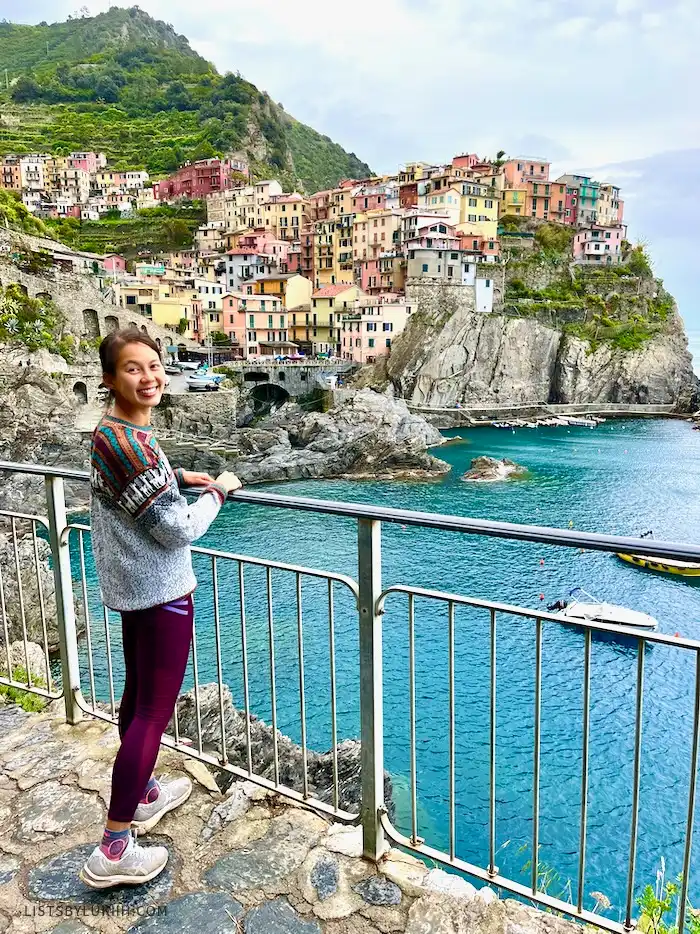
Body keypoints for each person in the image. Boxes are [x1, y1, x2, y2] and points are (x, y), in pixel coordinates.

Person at [80, 328, 241, 890]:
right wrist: (216, 491)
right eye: (132, 368)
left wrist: (176, 477)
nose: (149, 377)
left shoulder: (113, 434)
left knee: (136, 698)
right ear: (109, 377)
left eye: (154, 366)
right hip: (161, 594)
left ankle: (143, 793)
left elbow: (128, 490)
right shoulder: (131, 443)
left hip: (131, 590)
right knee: (152, 712)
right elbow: (176, 529)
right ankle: (114, 847)